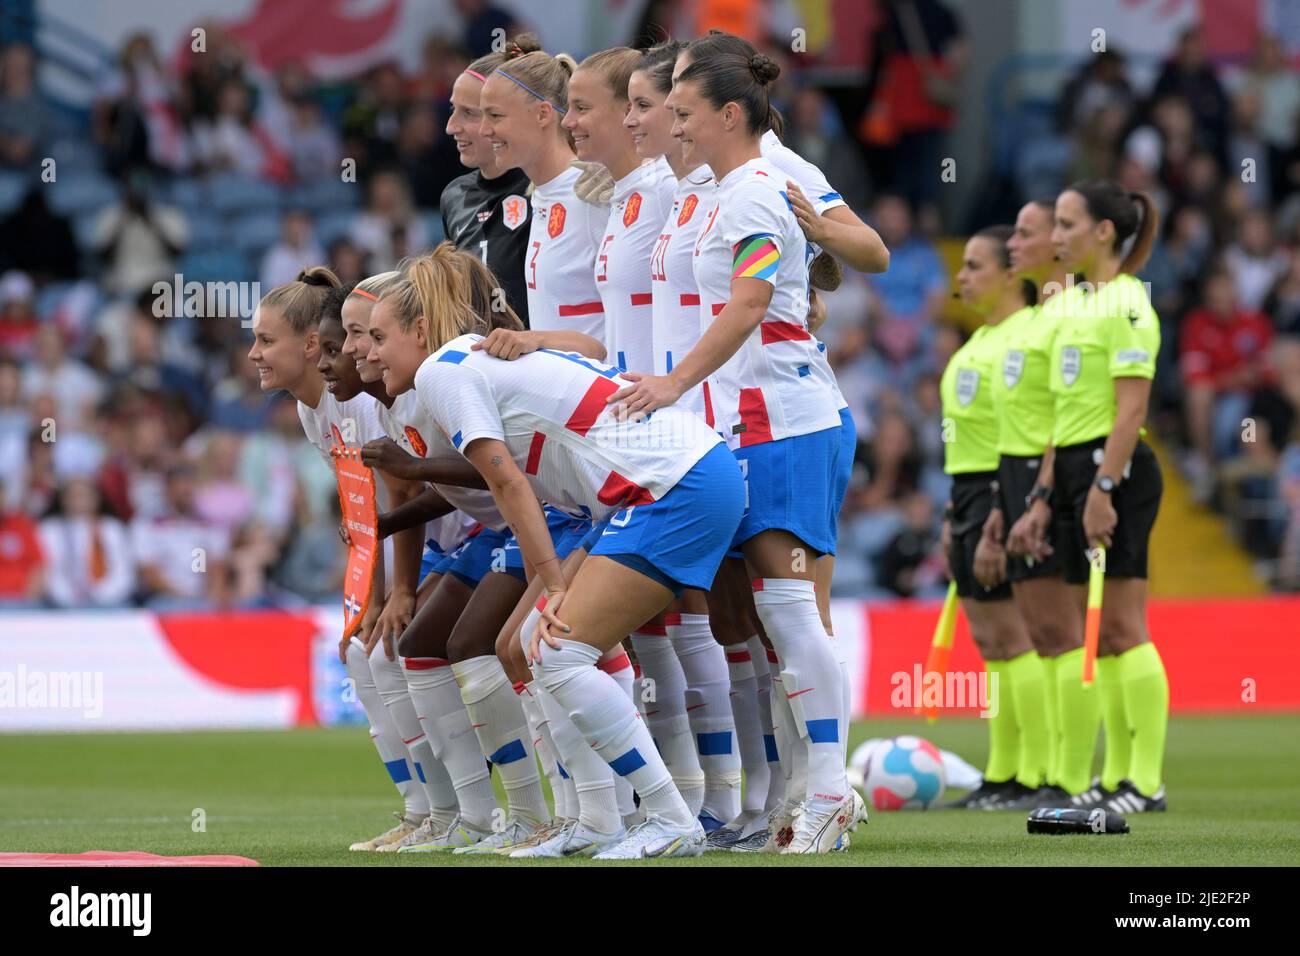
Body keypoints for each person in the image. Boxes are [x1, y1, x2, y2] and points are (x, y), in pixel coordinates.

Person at [368, 240, 745, 859]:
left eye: (379, 338)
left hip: (668, 484)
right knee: (532, 648)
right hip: (667, 478)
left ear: (419, 329)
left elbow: (506, 483)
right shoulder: (476, 361)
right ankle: (600, 820)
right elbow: (590, 355)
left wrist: (556, 583)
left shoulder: (443, 371)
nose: (371, 354)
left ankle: (671, 818)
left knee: (560, 650)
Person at [611, 35, 868, 853]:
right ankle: (770, 800)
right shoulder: (714, 192)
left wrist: (671, 381)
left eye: (681, 114)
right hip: (726, 430)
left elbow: (753, 302)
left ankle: (829, 792)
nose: (672, 128)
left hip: (782, 424)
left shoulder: (761, 189)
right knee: (746, 622)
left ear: (729, 114)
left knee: (791, 615)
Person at [246, 267, 460, 851]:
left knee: (390, 655)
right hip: (423, 543)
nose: (254, 354)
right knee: (364, 657)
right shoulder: (314, 411)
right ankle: (423, 811)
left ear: (310, 345)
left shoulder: (361, 403)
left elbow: (403, 497)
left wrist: (396, 595)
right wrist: (365, 602)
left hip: (453, 536)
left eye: (265, 341)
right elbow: (361, 516)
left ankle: (459, 811)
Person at [1048, 179, 1169, 813]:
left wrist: (1102, 488)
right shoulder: (1072, 304)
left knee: (1123, 626)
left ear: (1102, 232)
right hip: (1073, 470)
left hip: (1113, 470)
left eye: (1067, 224)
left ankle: (1144, 781)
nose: (1055, 236)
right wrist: (1050, 490)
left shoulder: (1126, 303)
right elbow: (1061, 409)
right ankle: (1118, 776)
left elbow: (1132, 411)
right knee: (1093, 635)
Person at [938, 225, 1047, 809]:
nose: (962, 275)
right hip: (969, 491)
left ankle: (1034, 773)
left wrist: (1001, 514)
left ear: (1012, 273)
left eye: (976, 265)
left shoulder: (1026, 336)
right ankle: (1004, 772)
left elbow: (1023, 432)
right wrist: (956, 509)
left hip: (1000, 490)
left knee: (1014, 634)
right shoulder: (978, 341)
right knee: (990, 640)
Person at [440, 40, 537, 326]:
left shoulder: (544, 188)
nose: (451, 127)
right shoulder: (454, 195)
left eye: (468, 113)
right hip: (480, 360)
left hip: (543, 360)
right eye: (452, 109)